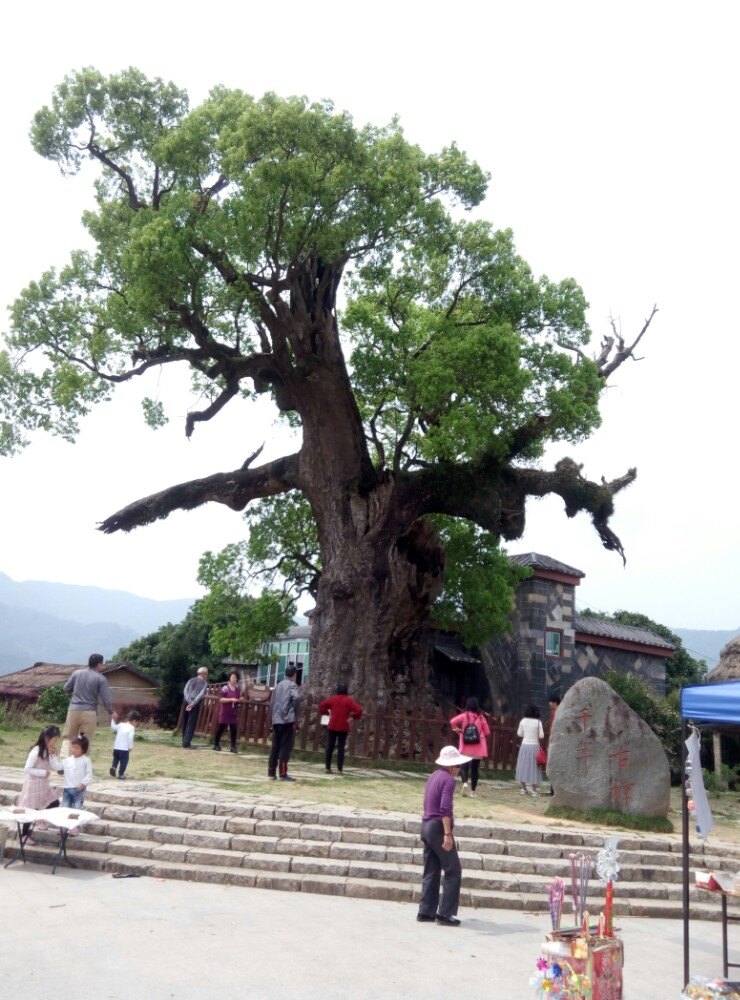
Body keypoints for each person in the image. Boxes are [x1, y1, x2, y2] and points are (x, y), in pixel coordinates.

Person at [416, 745, 471, 927]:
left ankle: (426, 911)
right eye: (458, 766)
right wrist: (447, 834)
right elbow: (444, 809)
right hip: (438, 827)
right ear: (453, 766)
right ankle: (445, 913)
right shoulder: (448, 780)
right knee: (453, 869)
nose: (459, 769)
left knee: (431, 868)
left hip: (426, 825)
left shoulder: (433, 776)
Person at [61, 653, 114, 757]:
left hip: (74, 709)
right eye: (102, 663)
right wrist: (111, 711)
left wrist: (75, 690)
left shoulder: (77, 673)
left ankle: (64, 762)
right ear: (99, 664)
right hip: (90, 712)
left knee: (68, 737)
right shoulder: (101, 678)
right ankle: (81, 764)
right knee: (86, 740)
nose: (103, 665)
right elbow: (106, 699)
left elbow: (66, 688)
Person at [17, 725, 63, 844]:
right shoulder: (35, 751)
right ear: (47, 738)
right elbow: (27, 769)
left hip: (43, 785)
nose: (55, 742)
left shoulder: (48, 751)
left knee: (55, 802)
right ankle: (24, 835)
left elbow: (57, 767)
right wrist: (43, 772)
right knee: (30, 809)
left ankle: (40, 818)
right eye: (54, 740)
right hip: (33, 785)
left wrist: (55, 756)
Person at [450, 697, 490, 796]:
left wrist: (457, 729)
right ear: (477, 707)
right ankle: (473, 792)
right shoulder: (481, 718)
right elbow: (487, 732)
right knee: (475, 769)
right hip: (478, 747)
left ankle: (464, 783)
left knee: (464, 766)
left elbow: (452, 721)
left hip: (466, 745)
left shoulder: (464, 716)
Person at [318, 683, 363, 774]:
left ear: (337, 690)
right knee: (341, 748)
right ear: (346, 691)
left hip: (332, 725)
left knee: (330, 746)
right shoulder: (348, 700)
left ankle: (328, 768)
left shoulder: (333, 698)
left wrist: (327, 713)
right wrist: (352, 718)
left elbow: (321, 705)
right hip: (343, 726)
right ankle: (340, 770)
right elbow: (359, 710)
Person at [267, 664, 301, 781]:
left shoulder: (278, 685)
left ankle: (271, 772)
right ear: (294, 674)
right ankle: (283, 773)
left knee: (275, 746)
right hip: (287, 719)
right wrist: (293, 711)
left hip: (276, 719)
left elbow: (272, 702)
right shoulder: (293, 685)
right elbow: (296, 698)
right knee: (285, 747)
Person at [62, 736, 93, 834]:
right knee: (65, 807)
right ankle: (64, 827)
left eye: (77, 748)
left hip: (79, 790)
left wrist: (83, 783)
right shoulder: (67, 760)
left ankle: (74, 828)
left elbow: (89, 774)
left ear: (83, 749)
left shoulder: (86, 760)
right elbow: (59, 767)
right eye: (73, 747)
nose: (73, 750)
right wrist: (53, 757)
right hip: (67, 788)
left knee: (76, 809)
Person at [515, 704, 545, 797]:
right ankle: (534, 790)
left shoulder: (523, 721)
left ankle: (523, 789)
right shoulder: (538, 722)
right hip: (535, 746)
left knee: (523, 766)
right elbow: (541, 736)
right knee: (535, 768)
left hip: (524, 746)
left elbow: (519, 733)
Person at [213, 671, 242, 753]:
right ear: (229, 678)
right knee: (221, 728)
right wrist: (230, 699)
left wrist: (239, 701)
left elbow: (238, 699)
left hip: (233, 712)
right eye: (232, 677)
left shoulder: (237, 690)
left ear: (237, 679)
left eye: (235, 677)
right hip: (225, 712)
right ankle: (216, 744)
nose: (234, 679)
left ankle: (233, 747)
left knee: (234, 729)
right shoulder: (225, 688)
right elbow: (220, 699)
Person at [181, 667, 209, 748]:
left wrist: (188, 700)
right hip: (194, 704)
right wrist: (192, 703)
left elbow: (185, 690)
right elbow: (200, 695)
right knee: (191, 723)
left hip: (185, 702)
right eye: (206, 674)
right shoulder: (205, 683)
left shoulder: (191, 680)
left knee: (185, 721)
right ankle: (186, 743)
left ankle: (184, 741)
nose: (207, 675)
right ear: (203, 674)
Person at [110, 710, 141, 779]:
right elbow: (130, 738)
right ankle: (121, 774)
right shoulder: (132, 728)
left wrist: (113, 719)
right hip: (124, 749)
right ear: (134, 721)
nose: (136, 725)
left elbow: (113, 727)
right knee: (124, 761)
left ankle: (114, 767)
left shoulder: (121, 725)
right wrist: (130, 747)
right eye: (137, 723)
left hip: (116, 747)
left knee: (116, 758)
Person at [546, 693, 561, 796]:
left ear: (555, 702)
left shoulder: (558, 713)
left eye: (551, 702)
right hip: (555, 741)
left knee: (556, 766)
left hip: (558, 742)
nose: (549, 704)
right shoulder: (554, 713)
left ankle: (555, 790)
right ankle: (553, 789)